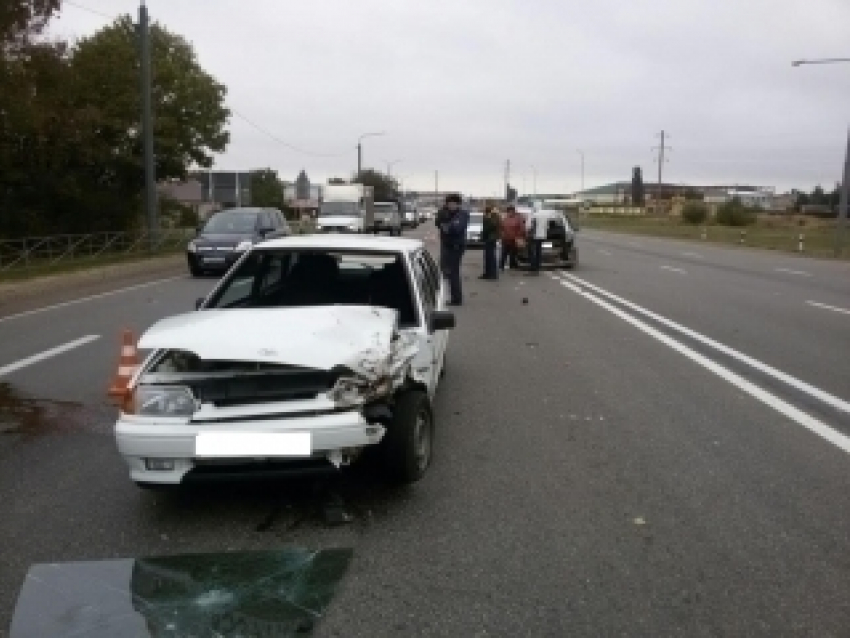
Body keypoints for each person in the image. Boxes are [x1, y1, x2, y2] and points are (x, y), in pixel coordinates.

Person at [436, 194, 469, 305]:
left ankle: (457, 299)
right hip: (447, 245)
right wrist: (444, 223)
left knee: (453, 272)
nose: (450, 205)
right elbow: (438, 223)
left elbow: (456, 229)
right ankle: (454, 296)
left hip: (456, 247)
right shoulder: (446, 213)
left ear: (458, 204)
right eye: (448, 203)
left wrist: (446, 226)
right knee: (446, 271)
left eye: (453, 203)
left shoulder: (462, 214)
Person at [527, 202, 552, 274]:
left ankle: (533, 268)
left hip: (534, 236)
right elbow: (548, 227)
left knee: (531, 252)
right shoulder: (546, 216)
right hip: (543, 236)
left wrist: (528, 233)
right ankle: (538, 267)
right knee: (538, 252)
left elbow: (530, 226)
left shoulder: (533, 215)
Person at [499, 205, 524, 271]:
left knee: (513, 253)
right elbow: (501, 228)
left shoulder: (518, 219)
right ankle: (501, 265)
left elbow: (521, 228)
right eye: (509, 211)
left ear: (513, 211)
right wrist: (502, 235)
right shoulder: (505, 218)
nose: (510, 213)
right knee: (504, 253)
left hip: (514, 239)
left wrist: (518, 236)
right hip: (506, 239)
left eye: (511, 211)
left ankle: (512, 265)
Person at [480, 205, 501, 280]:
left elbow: (493, 226)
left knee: (491, 257)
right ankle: (487, 273)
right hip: (488, 238)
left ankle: (493, 274)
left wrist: (488, 218)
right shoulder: (487, 217)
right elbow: (485, 228)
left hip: (491, 238)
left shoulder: (494, 216)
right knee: (487, 257)